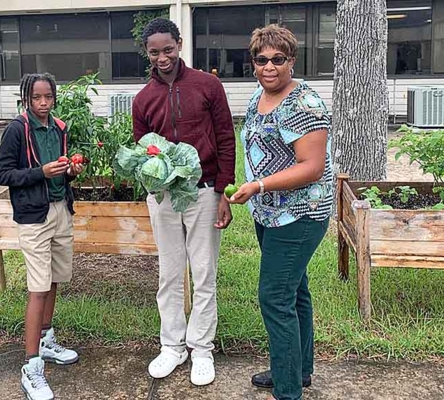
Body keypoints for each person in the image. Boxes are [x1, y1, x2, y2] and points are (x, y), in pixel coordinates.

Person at [226, 25, 334, 400]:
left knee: (274, 296)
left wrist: (258, 186)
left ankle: (287, 391)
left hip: (302, 213)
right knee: (295, 291)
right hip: (270, 213)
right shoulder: (260, 95)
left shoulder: (304, 102)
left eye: (278, 59)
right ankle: (297, 370)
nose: (269, 66)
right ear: (253, 63)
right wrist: (256, 192)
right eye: (261, 59)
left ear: (291, 60)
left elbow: (312, 166)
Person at [132, 18, 236, 386]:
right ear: (148, 53)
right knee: (170, 273)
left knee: (204, 272)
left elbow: (225, 135)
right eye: (155, 52)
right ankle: (172, 346)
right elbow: (143, 150)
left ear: (179, 44)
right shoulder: (143, 98)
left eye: (168, 49)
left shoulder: (208, 86)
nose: (163, 57)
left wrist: (223, 190)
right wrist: (153, 178)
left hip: (204, 190)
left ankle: (202, 349)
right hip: (163, 196)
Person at [0, 73, 84, 400]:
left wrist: (70, 170)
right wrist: (40, 173)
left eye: (48, 97)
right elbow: (2, 174)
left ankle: (46, 340)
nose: (43, 103)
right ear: (26, 99)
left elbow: (60, 169)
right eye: (36, 98)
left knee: (56, 278)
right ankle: (31, 366)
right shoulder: (17, 130)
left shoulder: (59, 128)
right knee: (38, 286)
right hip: (34, 216)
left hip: (61, 209)